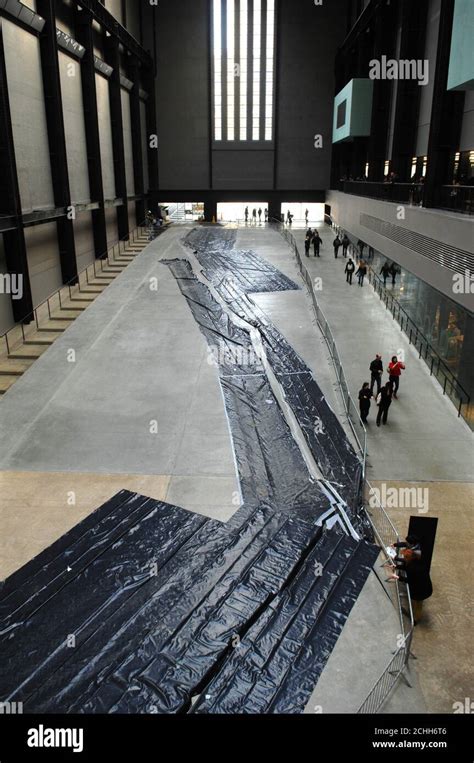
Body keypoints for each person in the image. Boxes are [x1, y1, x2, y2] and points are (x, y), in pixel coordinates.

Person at [390, 535, 433, 623]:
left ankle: (416, 619)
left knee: (418, 604)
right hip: (423, 585)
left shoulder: (413, 568)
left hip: (422, 590)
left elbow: (410, 580)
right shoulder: (416, 562)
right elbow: (406, 567)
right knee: (415, 602)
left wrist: (398, 577)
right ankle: (414, 611)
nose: (404, 559)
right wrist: (396, 566)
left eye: (405, 557)